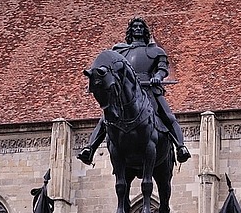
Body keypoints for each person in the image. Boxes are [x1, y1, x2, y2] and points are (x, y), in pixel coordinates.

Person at [79, 17, 190, 164]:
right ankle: (90, 148)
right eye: (134, 27)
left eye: (140, 27)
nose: (137, 29)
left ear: (145, 31)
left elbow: (163, 70)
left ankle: (180, 147)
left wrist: (157, 77)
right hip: (126, 91)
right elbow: (110, 68)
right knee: (105, 119)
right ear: (130, 31)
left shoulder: (156, 51)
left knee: (168, 117)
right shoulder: (119, 51)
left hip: (149, 89)